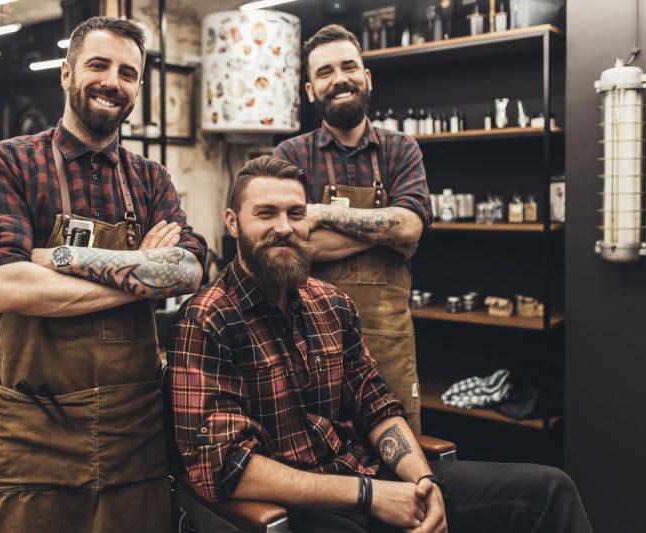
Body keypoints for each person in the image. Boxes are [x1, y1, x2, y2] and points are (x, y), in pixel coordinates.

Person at [168, 155, 592, 533]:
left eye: (295, 213)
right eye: (266, 213)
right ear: (232, 222)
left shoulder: (330, 304)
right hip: (299, 506)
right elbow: (224, 467)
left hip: (369, 477)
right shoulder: (209, 319)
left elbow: (377, 407)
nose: (283, 227)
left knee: (549, 490)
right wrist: (368, 495)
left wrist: (424, 483)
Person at [0, 16, 206, 532]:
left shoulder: (150, 178)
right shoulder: (9, 162)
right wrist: (139, 270)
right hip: (28, 431)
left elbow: (187, 269)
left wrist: (54, 259)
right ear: (67, 73)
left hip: (130, 434)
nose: (112, 82)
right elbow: (5, 286)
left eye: (127, 73)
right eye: (98, 65)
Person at [274, 24, 429, 433]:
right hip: (311, 348)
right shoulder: (290, 154)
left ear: (366, 77)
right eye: (325, 72)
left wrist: (322, 214)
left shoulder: (400, 149)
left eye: (348, 67)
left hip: (387, 342)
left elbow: (410, 227)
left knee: (402, 466)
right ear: (310, 90)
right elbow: (291, 244)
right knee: (323, 460)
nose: (339, 78)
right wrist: (384, 233)